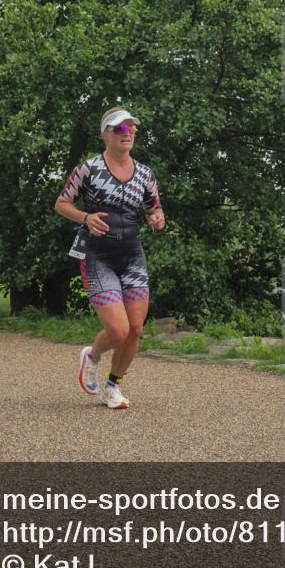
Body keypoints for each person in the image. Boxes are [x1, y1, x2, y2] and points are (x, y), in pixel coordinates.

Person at [55, 106, 165, 410]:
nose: (127, 133)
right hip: (98, 256)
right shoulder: (88, 169)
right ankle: (92, 357)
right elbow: (62, 204)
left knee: (135, 329)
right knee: (118, 330)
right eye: (119, 129)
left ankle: (112, 387)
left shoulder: (145, 174)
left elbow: (154, 207)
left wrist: (157, 218)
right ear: (105, 134)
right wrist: (86, 217)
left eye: (131, 128)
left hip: (132, 256)